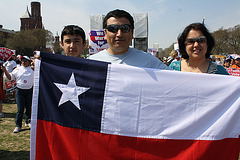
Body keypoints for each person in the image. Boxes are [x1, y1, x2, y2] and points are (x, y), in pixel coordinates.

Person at [89, 9, 171, 70]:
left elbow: (176, 82)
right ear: (105, 33)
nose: (119, 34)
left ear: (132, 33)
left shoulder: (149, 61)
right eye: (113, 28)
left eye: (125, 28)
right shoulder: (91, 62)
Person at [2, 56, 34, 133]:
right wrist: (5, 70)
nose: (23, 62)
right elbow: (10, 77)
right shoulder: (17, 69)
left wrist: (34, 61)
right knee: (20, 109)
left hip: (29, 90)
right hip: (20, 91)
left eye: (25, 60)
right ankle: (18, 125)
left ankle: (28, 121)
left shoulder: (33, 69)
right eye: (22, 60)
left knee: (28, 107)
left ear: (29, 62)